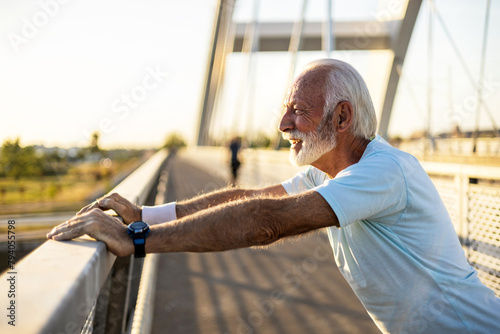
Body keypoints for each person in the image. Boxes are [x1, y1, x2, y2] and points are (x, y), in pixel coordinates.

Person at [47, 59, 500, 333]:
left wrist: (139, 239)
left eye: (299, 111)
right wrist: (144, 213)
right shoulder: (331, 171)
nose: (283, 125)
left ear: (342, 118)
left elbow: (268, 220)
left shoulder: (385, 172)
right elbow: (250, 196)